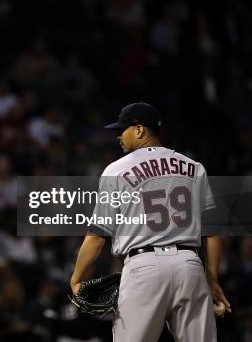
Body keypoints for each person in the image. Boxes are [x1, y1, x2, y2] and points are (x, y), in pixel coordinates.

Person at [69, 102, 231, 341]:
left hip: (144, 267)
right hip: (190, 266)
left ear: (139, 130)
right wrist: (212, 278)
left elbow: (96, 236)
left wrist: (77, 279)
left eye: (121, 130)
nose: (118, 136)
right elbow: (214, 231)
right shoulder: (194, 168)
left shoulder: (116, 171)